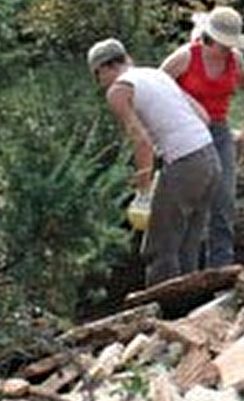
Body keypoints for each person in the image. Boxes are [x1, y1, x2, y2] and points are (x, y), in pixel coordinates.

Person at [88, 38, 221, 287]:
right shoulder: (156, 74)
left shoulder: (118, 90)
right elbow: (203, 116)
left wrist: (144, 187)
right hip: (210, 158)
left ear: (104, 68)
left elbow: (142, 142)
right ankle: (191, 314)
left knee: (160, 248)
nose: (100, 83)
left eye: (97, 76)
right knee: (187, 245)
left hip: (186, 163)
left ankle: (163, 314)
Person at [159, 6, 244, 269]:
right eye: (224, 44)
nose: (228, 49)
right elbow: (156, 85)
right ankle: (184, 268)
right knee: (190, 201)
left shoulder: (234, 59)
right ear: (210, 39)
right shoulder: (185, 58)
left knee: (224, 197)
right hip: (185, 135)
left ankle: (221, 265)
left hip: (218, 130)